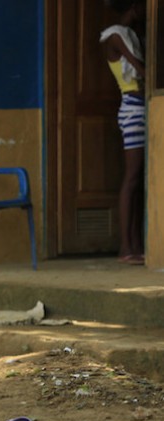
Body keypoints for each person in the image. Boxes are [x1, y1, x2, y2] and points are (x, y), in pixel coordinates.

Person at [101, 0, 146, 265]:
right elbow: (140, 69)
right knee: (131, 178)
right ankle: (126, 247)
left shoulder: (131, 35)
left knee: (137, 179)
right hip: (132, 109)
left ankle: (135, 245)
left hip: (140, 108)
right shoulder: (116, 35)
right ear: (134, 8)